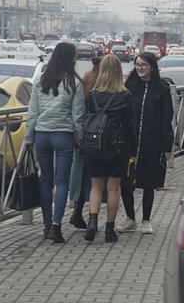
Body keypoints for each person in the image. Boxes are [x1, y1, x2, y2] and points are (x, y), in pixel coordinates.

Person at [24, 41, 84, 244]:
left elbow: (32, 113)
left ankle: (46, 225)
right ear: (70, 58)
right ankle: (57, 227)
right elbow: (78, 116)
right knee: (61, 183)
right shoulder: (74, 83)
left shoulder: (41, 81)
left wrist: (28, 138)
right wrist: (80, 136)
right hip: (63, 136)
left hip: (42, 135)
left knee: (45, 181)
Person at [82, 54, 135, 243]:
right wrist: (133, 151)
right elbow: (131, 125)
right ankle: (109, 230)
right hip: (118, 147)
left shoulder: (93, 95)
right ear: (119, 72)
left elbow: (87, 118)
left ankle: (92, 221)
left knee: (96, 186)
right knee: (113, 188)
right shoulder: (125, 96)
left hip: (95, 144)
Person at [120, 51, 174, 235]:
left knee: (149, 183)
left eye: (143, 65)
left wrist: (167, 145)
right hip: (130, 144)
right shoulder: (130, 86)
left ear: (152, 67)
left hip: (153, 143)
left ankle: (146, 219)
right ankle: (130, 218)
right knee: (126, 182)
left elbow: (167, 117)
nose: (140, 68)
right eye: (137, 65)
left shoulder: (162, 88)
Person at [68, 57, 101, 230]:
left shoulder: (85, 78)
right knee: (95, 179)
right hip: (99, 136)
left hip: (82, 134)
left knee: (79, 174)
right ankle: (91, 217)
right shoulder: (106, 82)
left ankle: (76, 211)